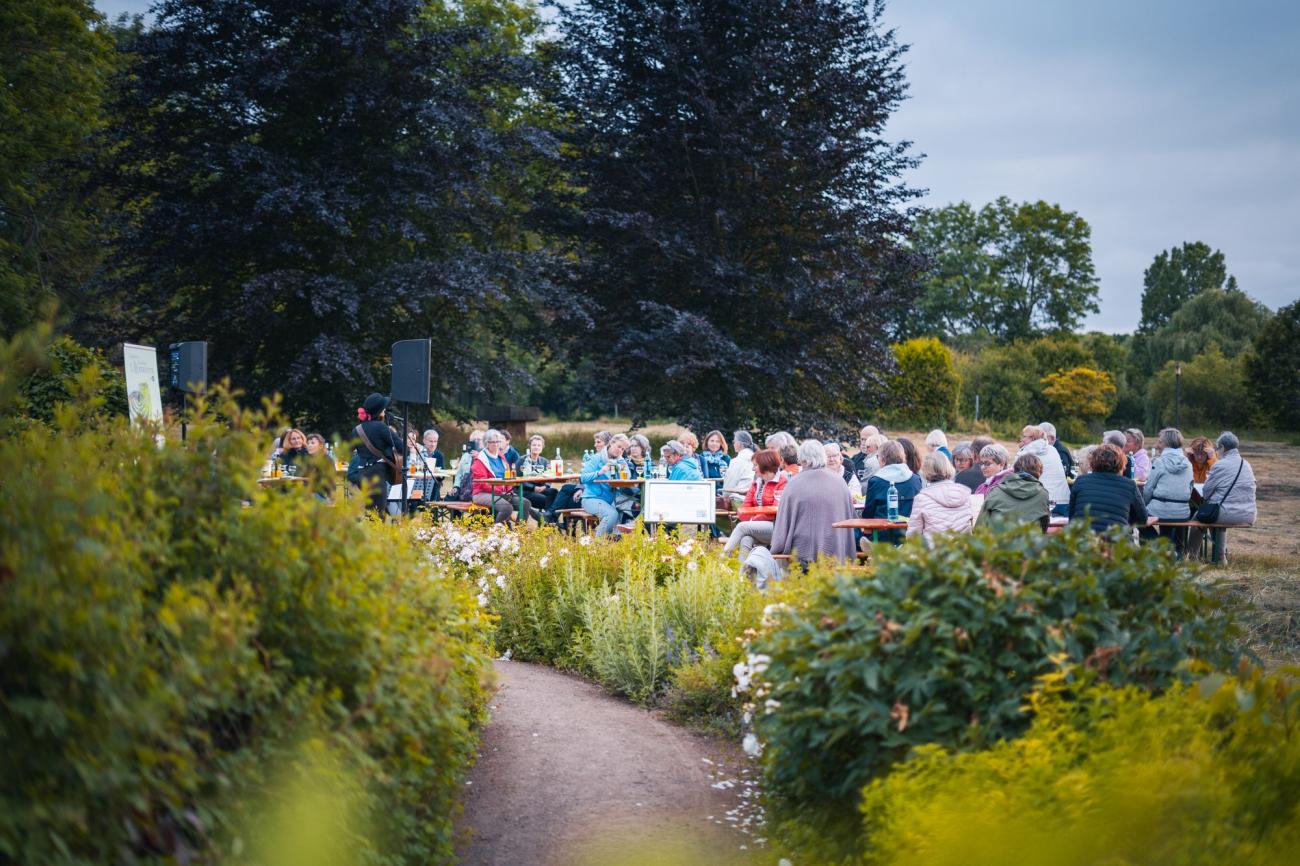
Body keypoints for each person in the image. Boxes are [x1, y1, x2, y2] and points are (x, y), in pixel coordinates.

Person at [768, 439, 856, 569]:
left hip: (803, 552)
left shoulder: (793, 483)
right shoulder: (840, 481)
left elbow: (783, 522)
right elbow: (851, 518)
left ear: (802, 459)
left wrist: (776, 547)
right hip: (836, 548)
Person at [1187, 432, 1257, 562]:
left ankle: (1191, 558)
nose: (1217, 452)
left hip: (1228, 513)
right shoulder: (1246, 464)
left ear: (1223, 447)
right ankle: (1221, 558)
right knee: (1217, 519)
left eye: (1218, 449)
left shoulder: (1220, 465)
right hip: (1248, 513)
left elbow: (1206, 492)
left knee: (1199, 520)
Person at [1068, 443, 1147, 533]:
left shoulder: (1080, 481)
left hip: (1085, 541)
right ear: (1121, 464)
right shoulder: (1129, 485)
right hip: (1116, 541)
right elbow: (1142, 519)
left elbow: (1072, 516)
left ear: (1093, 462)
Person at [1140, 427, 1194, 556]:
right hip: (1183, 512)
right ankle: (1174, 552)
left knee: (1136, 517)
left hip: (1160, 509)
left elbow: (1148, 490)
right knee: (1166, 514)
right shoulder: (1188, 463)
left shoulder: (1159, 462)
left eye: (1159, 442)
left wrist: (1143, 507)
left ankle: (1161, 548)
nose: (1157, 445)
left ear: (1166, 444)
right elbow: (1190, 488)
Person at [723, 449, 786, 559]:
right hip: (759, 525)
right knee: (746, 539)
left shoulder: (782, 482)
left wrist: (753, 519)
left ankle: (721, 559)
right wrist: (753, 520)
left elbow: (775, 511)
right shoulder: (757, 482)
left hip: (778, 527)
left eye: (755, 465)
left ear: (765, 465)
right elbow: (744, 509)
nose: (753, 469)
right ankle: (742, 573)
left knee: (742, 527)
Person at [471, 429, 539, 524]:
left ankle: (520, 530)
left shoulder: (501, 457)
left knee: (525, 503)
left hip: (502, 492)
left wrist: (508, 490)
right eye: (492, 442)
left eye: (498, 441)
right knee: (507, 508)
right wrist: (500, 490)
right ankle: (497, 531)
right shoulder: (480, 459)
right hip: (482, 493)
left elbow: (508, 475)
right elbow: (482, 483)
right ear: (487, 443)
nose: (496, 444)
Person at [863, 441, 923, 545]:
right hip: (909, 536)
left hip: (881, 537)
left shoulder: (875, 481)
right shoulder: (915, 480)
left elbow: (868, 514)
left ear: (883, 460)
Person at [350, 393, 402, 514]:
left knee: (370, 514)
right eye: (383, 408)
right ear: (380, 411)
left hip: (362, 474)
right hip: (377, 476)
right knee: (378, 516)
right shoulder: (381, 427)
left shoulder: (356, 430)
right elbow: (402, 448)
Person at [907, 453, 972, 539]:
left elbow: (913, 536)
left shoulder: (921, 499)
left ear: (926, 470)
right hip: (961, 549)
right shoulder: (964, 495)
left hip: (934, 550)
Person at [979, 453, 1050, 531]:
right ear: (1039, 472)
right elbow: (1044, 525)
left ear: (1015, 470)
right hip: (1030, 540)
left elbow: (980, 525)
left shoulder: (995, 491)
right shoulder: (1043, 494)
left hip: (1000, 540)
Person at [581, 433, 630, 536]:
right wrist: (599, 472)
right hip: (591, 498)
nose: (620, 450)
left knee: (630, 510)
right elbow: (583, 478)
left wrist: (621, 461)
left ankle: (613, 541)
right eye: (619, 446)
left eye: (623, 449)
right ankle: (597, 544)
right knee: (612, 514)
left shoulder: (619, 461)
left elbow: (627, 477)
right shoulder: (597, 458)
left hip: (611, 500)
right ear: (611, 443)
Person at [1017, 425, 1070, 515]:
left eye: (1024, 436)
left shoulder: (1027, 452)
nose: (1021, 439)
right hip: (1064, 500)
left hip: (1045, 501)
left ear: (1033, 438)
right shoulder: (1053, 449)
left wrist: (1021, 450)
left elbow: (1017, 469)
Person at [516, 434, 560, 513]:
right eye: (534, 445)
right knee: (549, 501)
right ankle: (546, 521)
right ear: (529, 446)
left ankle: (547, 519)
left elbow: (549, 477)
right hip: (525, 490)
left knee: (554, 492)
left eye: (539, 445)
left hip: (541, 488)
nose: (536, 447)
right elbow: (519, 479)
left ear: (542, 447)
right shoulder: (522, 460)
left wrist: (545, 486)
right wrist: (533, 488)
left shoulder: (545, 461)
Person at [722, 431, 757, 508]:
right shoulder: (755, 457)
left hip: (739, 500)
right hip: (754, 499)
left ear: (739, 443)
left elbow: (729, 484)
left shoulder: (737, 461)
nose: (733, 444)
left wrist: (724, 496)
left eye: (734, 441)